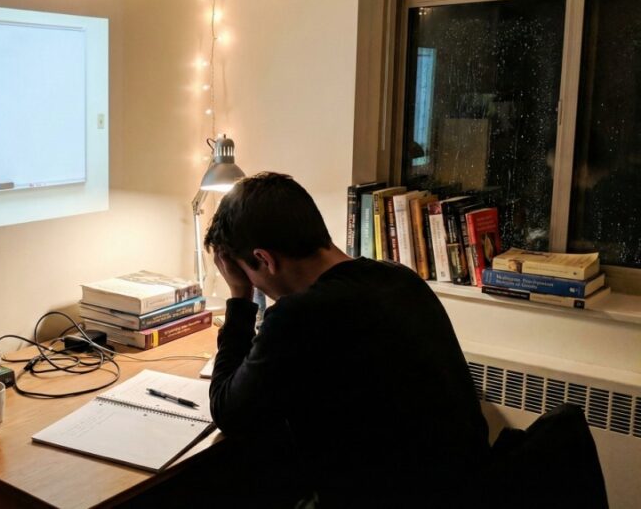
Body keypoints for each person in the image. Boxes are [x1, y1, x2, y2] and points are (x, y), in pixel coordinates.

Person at [204, 172, 489, 508]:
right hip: (465, 487)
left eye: (246, 272)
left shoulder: (300, 315)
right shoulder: (400, 279)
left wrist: (240, 296)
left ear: (264, 259)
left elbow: (228, 411)